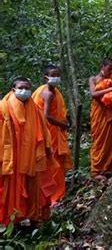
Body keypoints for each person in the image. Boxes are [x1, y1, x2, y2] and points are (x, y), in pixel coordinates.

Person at [0, 77, 58, 225]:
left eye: (27, 88)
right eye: (21, 87)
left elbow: (44, 133)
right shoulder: (3, 108)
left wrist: (47, 149)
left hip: (33, 159)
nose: (24, 90)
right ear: (13, 89)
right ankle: (10, 221)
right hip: (12, 159)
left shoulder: (35, 109)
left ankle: (32, 217)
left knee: (33, 188)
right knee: (10, 190)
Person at [32, 65, 72, 203]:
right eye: (53, 75)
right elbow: (47, 115)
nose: (56, 78)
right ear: (46, 77)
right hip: (49, 132)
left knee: (52, 162)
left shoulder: (48, 90)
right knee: (53, 163)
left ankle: (49, 195)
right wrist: (63, 125)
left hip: (49, 131)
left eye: (58, 75)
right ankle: (54, 196)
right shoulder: (47, 93)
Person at [89, 57, 112, 178]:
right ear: (103, 66)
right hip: (100, 114)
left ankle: (111, 169)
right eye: (109, 69)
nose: (111, 72)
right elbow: (94, 94)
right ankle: (97, 171)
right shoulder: (93, 79)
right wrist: (110, 89)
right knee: (100, 141)